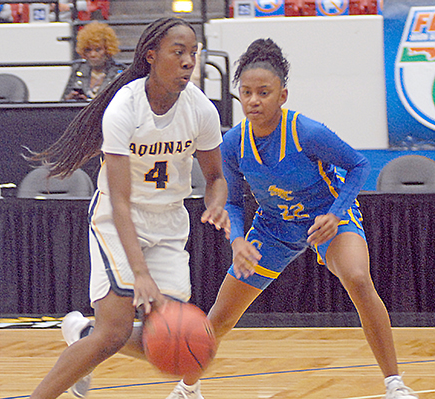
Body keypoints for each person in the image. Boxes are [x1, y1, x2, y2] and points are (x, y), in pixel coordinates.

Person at [166, 38, 418, 399]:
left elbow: (359, 165)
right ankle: (189, 387)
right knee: (220, 317)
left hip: (327, 218)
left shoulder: (307, 132)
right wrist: (237, 239)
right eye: (247, 92)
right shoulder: (233, 144)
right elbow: (233, 203)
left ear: (282, 95)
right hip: (273, 228)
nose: (254, 100)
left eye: (264, 93)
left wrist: (335, 214)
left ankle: (395, 384)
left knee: (359, 279)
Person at [27, 17, 230, 399]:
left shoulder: (201, 109)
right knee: (115, 331)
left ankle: (83, 337)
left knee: (170, 341)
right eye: (179, 52)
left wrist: (216, 204)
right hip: (118, 217)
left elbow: (216, 177)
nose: (189, 61)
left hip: (169, 221)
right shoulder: (124, 108)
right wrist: (141, 273)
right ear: (151, 56)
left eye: (194, 53)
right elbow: (119, 200)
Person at [62, 21, 127, 102]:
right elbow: (63, 101)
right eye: (88, 50)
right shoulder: (79, 69)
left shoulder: (120, 72)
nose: (92, 54)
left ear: (107, 50)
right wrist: (70, 98)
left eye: (98, 49)